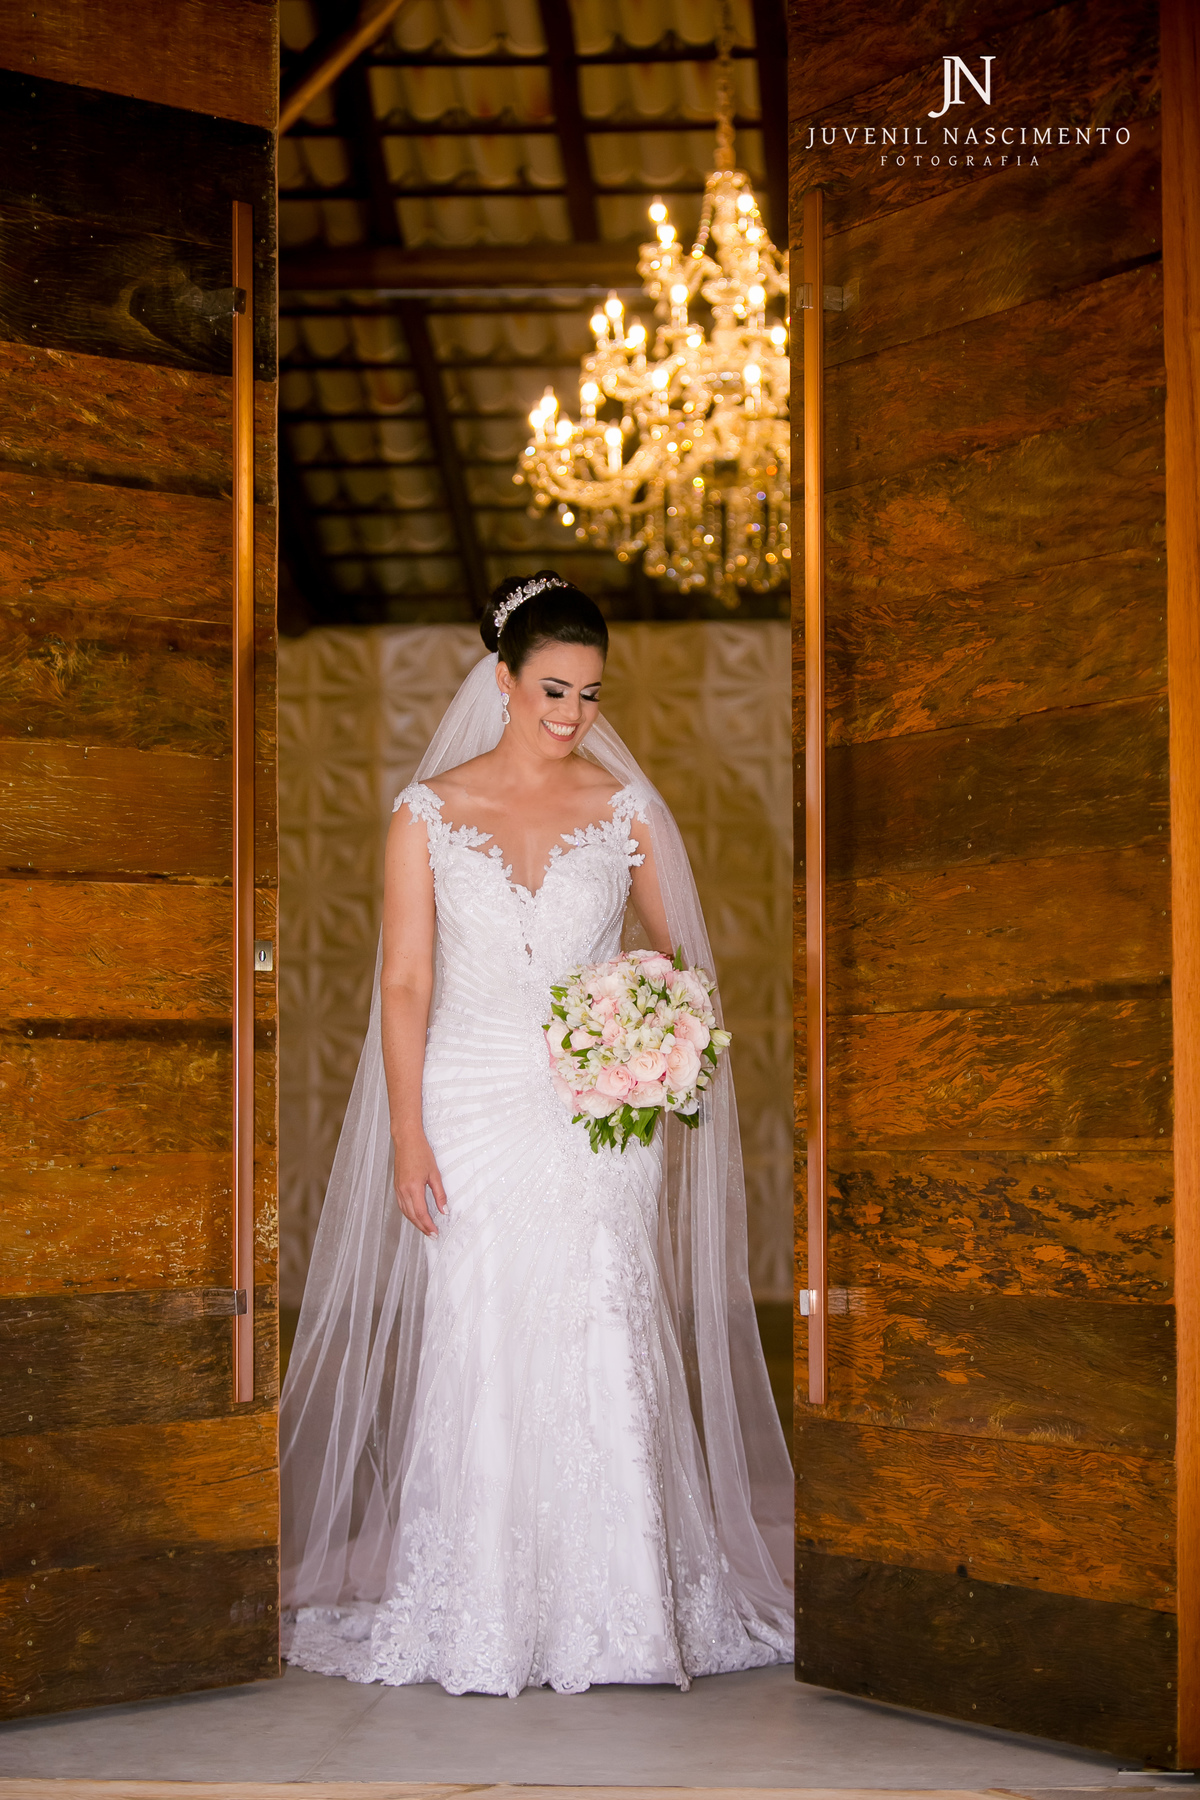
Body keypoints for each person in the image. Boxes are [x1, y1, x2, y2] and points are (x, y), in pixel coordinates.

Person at [280, 571, 793, 1697]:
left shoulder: (625, 807)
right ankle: (487, 1610)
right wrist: (408, 1135)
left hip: (592, 1107)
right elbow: (406, 984)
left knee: (601, 1314)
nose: (572, 714)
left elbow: (680, 960)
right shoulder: (425, 813)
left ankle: (621, 1615)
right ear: (503, 678)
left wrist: (645, 1032)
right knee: (482, 1327)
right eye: (553, 689)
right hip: (465, 1099)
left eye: (591, 694)